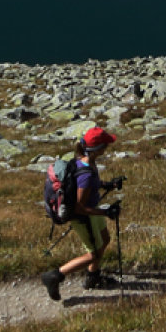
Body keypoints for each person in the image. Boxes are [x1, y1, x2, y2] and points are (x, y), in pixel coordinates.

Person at [41, 125, 122, 300]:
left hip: (92, 212)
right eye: (105, 145)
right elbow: (79, 207)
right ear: (97, 149)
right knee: (94, 253)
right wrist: (106, 212)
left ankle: (93, 277)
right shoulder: (86, 173)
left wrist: (108, 185)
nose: (107, 148)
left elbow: (91, 184)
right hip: (84, 217)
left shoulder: (85, 161)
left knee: (104, 239)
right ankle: (55, 276)